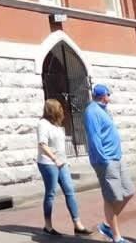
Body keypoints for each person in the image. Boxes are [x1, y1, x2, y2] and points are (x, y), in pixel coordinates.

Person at [84, 84, 134, 243]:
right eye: (108, 95)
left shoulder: (103, 109)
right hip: (106, 161)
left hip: (117, 158)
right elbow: (94, 137)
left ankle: (107, 225)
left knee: (129, 191)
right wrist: (103, 159)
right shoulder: (92, 111)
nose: (109, 98)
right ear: (102, 95)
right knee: (111, 198)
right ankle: (116, 237)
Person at [37, 98, 93, 236]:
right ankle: (48, 226)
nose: (62, 110)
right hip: (48, 163)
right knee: (50, 194)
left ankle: (77, 224)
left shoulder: (57, 124)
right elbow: (42, 144)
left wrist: (63, 161)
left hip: (62, 163)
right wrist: (54, 159)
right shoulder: (43, 124)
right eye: (59, 107)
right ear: (52, 109)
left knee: (70, 191)